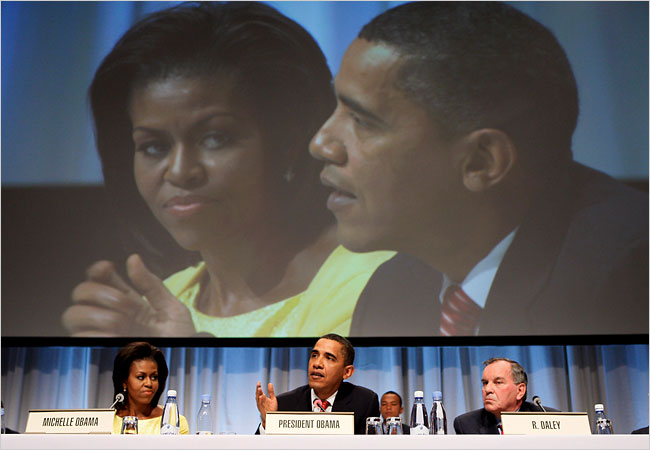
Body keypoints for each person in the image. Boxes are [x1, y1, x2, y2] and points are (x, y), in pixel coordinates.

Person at [309, 1, 648, 337]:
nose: (321, 144)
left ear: (481, 162)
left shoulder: (628, 278)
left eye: (361, 121)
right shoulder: (389, 291)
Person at [61, 2, 394, 338]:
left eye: (215, 138)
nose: (179, 171)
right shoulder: (163, 302)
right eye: (153, 147)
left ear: (288, 143)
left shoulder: (374, 284)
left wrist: (188, 362)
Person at [255, 333, 379, 435]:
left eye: (329, 358)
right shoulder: (284, 404)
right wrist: (268, 423)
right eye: (314, 355)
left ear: (347, 372)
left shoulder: (364, 402)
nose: (317, 363)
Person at [454, 358, 554, 434]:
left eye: (498, 382)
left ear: (520, 391)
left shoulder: (550, 419)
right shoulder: (467, 425)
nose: (488, 390)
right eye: (485, 383)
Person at [111, 341, 189, 434]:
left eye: (154, 377)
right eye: (141, 377)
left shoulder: (174, 422)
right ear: (124, 381)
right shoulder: (107, 421)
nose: (149, 383)